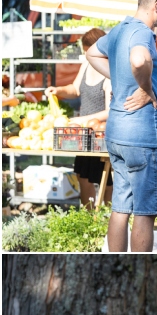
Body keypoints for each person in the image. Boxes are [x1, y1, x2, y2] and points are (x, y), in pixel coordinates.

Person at [85, 0, 157, 252]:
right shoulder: (141, 33)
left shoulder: (119, 29)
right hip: (143, 137)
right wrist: (146, 88)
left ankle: (116, 265)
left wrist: (119, 77)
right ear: (156, 5)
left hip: (118, 134)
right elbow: (139, 60)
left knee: (121, 207)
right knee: (145, 211)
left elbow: (91, 53)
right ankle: (140, 270)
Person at [47, 27, 111, 208]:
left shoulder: (110, 72)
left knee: (107, 180)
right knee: (83, 177)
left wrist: (83, 120)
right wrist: (58, 90)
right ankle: (88, 219)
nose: (86, 56)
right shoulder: (86, 65)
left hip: (101, 136)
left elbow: (110, 110)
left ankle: (107, 221)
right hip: (83, 135)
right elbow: (75, 89)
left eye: (87, 52)